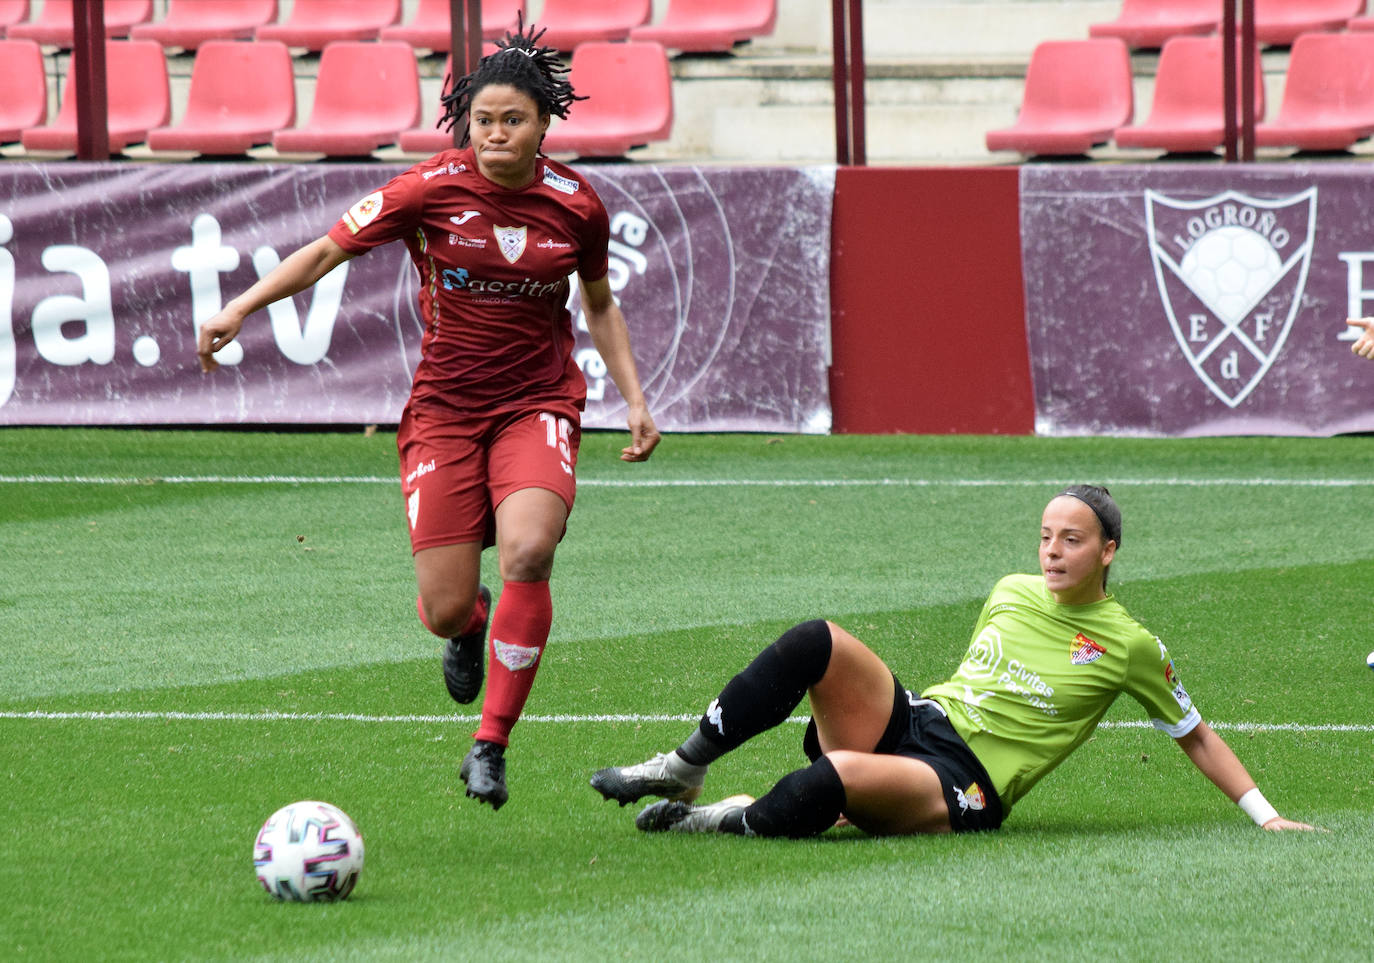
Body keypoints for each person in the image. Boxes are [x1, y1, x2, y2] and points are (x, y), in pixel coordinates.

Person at [197, 22, 661, 811]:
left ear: (543, 126)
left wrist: (637, 399)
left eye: (512, 120)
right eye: (482, 120)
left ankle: (491, 743)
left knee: (530, 550)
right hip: (445, 411)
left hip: (536, 403)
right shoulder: (426, 190)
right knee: (445, 603)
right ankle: (468, 622)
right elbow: (323, 252)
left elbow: (600, 303)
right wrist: (240, 306)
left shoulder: (578, 205)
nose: (495, 134)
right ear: (465, 124)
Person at [591, 486, 1314, 837]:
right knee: (816, 639)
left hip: (963, 782)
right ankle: (682, 768)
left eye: (1072, 538)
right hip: (916, 720)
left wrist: (1266, 816)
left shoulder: (1128, 644)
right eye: (1045, 536)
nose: (1053, 550)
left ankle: (717, 820)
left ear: (1109, 551)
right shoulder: (1011, 590)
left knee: (830, 781)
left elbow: (1195, 734)